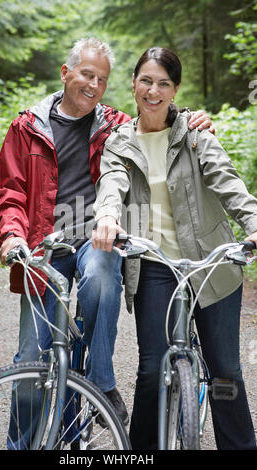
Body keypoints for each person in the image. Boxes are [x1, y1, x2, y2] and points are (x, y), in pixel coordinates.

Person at [0, 38, 212, 448]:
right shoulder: (27, 127)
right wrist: (13, 235)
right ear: (65, 73)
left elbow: (157, 118)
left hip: (95, 239)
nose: (93, 85)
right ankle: (20, 445)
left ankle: (98, 386)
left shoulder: (114, 125)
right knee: (32, 364)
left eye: (102, 79)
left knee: (104, 268)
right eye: (86, 74)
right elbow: (8, 191)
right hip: (43, 247)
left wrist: (192, 120)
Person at [92, 46, 257, 450]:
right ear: (133, 84)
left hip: (211, 265)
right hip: (154, 265)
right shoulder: (119, 143)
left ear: (175, 88)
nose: (153, 90)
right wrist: (108, 218)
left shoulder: (196, 134)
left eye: (164, 83)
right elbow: (111, 186)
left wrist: (254, 221)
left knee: (225, 372)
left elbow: (229, 183)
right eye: (146, 81)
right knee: (151, 370)